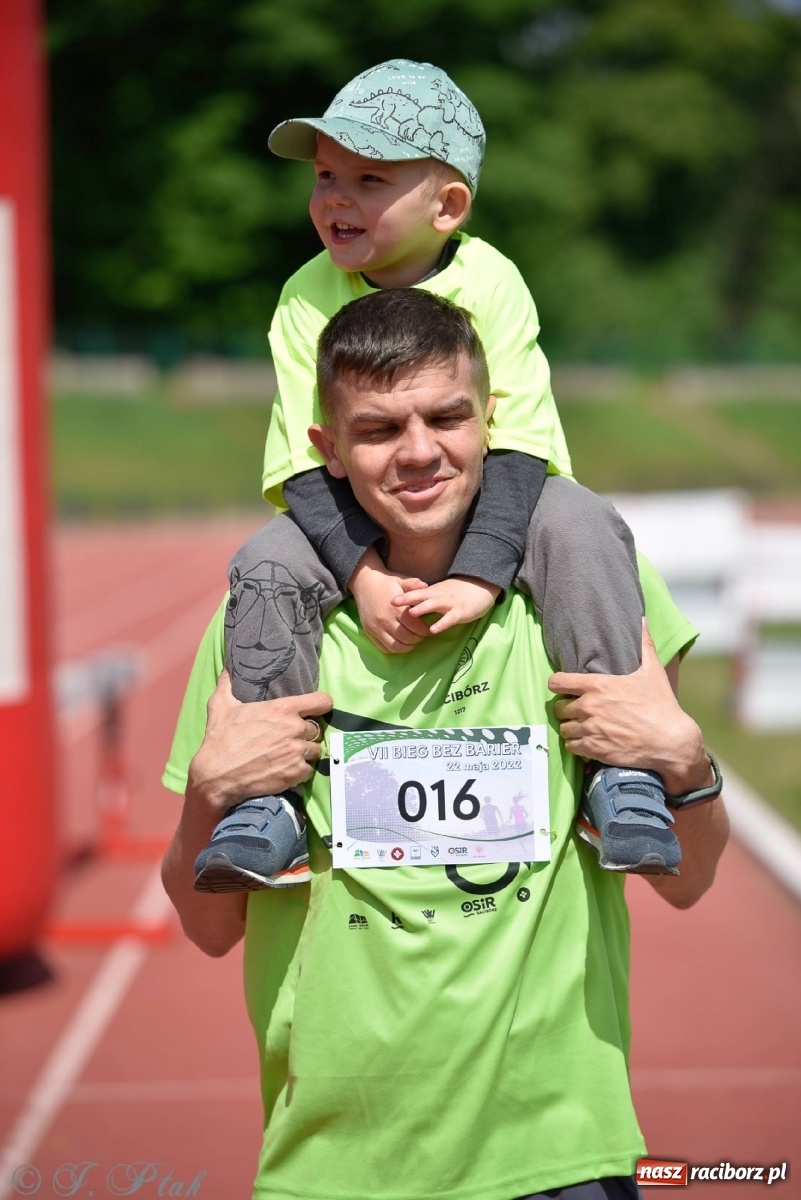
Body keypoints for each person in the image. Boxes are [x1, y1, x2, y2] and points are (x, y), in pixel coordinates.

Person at [162, 290, 728, 1200]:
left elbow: (688, 882)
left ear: (490, 421)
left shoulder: (577, 596)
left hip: (562, 1153)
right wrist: (206, 798)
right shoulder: (261, 627)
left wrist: (688, 768)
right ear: (327, 451)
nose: (420, 451)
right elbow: (206, 928)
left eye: (447, 417)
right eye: (380, 428)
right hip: (332, 1166)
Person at [192, 58, 684, 894]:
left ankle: (619, 770)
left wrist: (484, 576)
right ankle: (269, 801)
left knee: (583, 523)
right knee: (267, 560)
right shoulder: (303, 296)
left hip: (503, 494)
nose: (335, 197)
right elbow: (306, 465)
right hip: (345, 504)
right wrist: (363, 574)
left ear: (447, 204)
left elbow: (521, 448)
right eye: (324, 176)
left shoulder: (493, 282)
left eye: (368, 177)